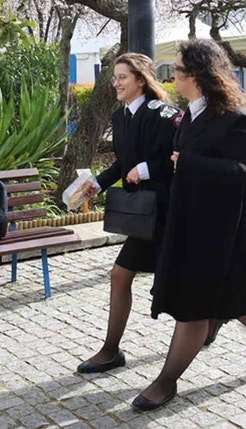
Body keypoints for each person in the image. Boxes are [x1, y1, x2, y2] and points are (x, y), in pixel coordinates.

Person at [133, 39, 246, 411]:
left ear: (199, 75)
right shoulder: (191, 113)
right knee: (230, 292)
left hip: (224, 226)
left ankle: (166, 381)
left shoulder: (236, 118)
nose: (172, 76)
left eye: (177, 70)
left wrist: (188, 162)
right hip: (192, 218)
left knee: (195, 306)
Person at [75, 53, 179, 374]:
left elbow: (180, 158)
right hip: (144, 218)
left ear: (140, 80)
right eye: (115, 77)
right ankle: (110, 350)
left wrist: (146, 169)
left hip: (168, 213)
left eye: (122, 77)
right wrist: (96, 185)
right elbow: (123, 164)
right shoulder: (119, 118)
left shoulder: (164, 115)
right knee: (121, 275)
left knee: (195, 282)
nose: (116, 83)